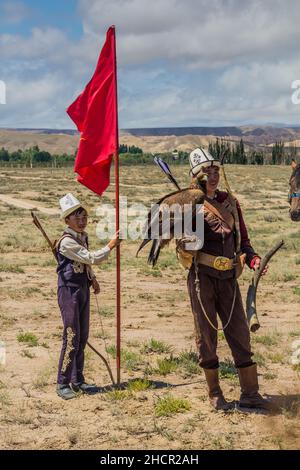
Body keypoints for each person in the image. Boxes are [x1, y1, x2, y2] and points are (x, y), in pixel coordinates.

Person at [183, 148, 270, 410]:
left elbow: (244, 241)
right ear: (196, 176)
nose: (212, 176)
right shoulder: (188, 204)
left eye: (215, 170)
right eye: (206, 172)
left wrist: (253, 259)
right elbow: (183, 245)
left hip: (229, 278)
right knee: (206, 336)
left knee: (240, 333)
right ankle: (214, 392)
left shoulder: (230, 201)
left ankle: (250, 394)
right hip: (202, 278)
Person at [56, 193, 121, 400]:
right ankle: (62, 382)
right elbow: (90, 257)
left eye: (84, 217)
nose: (82, 221)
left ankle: (78, 379)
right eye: (77, 218)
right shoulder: (66, 242)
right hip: (69, 291)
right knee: (72, 337)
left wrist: (92, 278)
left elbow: (84, 263)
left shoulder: (81, 237)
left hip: (82, 288)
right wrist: (111, 245)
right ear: (67, 220)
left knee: (82, 337)